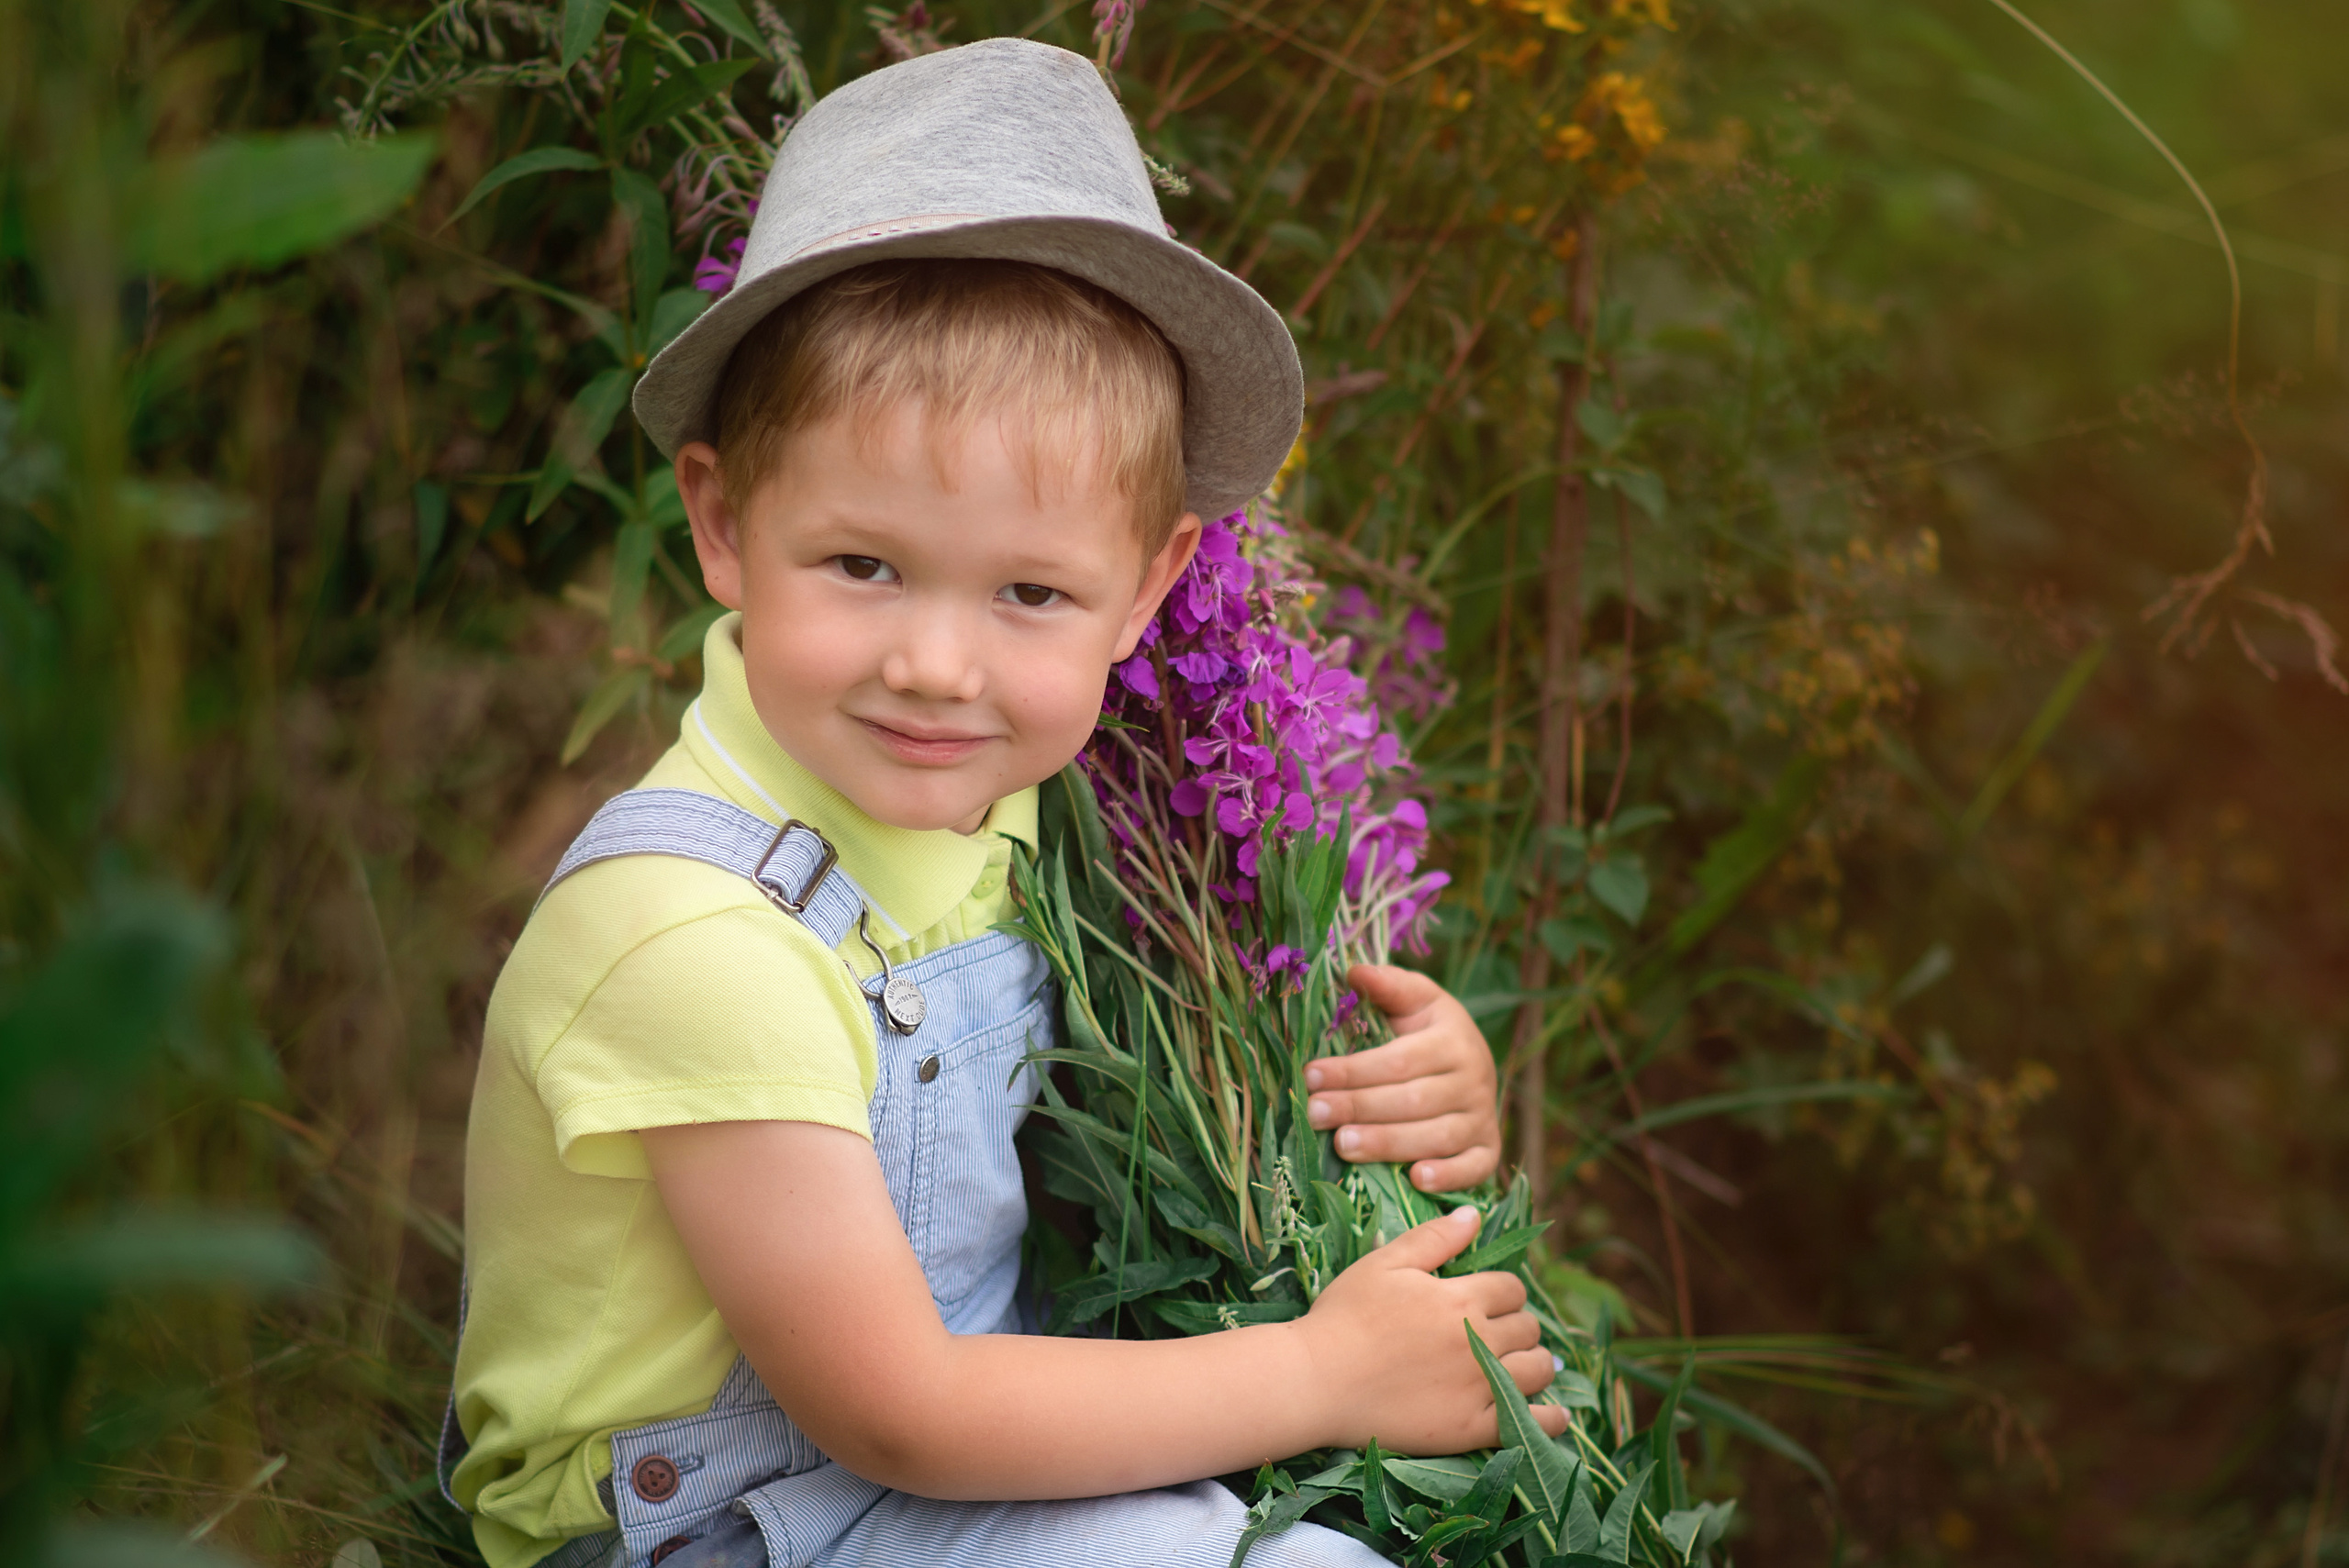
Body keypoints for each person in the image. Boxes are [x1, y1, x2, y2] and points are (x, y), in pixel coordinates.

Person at [444, 38, 1562, 1568]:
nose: (937, 664)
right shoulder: (688, 938)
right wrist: (1320, 1373)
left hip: (943, 1466)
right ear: (721, 520)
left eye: (1032, 590)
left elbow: (1229, 1062)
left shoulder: (1029, 813)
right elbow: (893, 1407)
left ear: (1149, 590)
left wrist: (1416, 1089)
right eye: (863, 565)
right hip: (721, 1525)